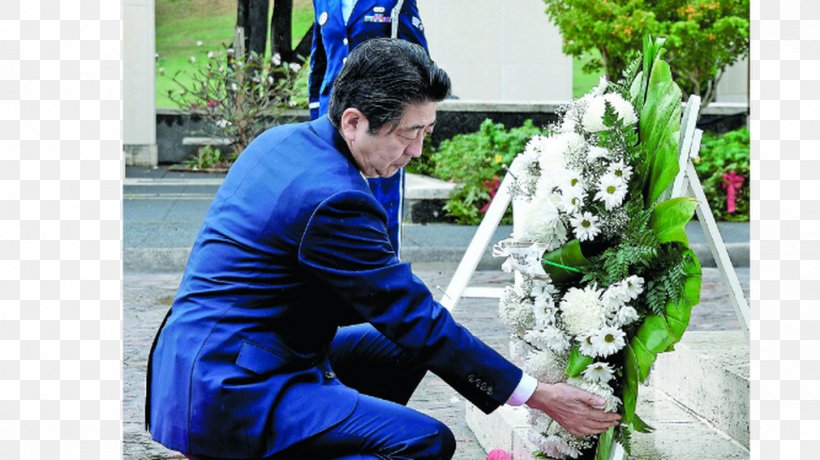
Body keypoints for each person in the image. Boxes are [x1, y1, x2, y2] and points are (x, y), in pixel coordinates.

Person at [146, 39, 620, 460]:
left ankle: (329, 434)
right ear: (354, 121)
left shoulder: (282, 141)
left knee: (405, 349)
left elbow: (385, 310)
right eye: (407, 133)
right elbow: (411, 317)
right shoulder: (334, 197)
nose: (416, 151)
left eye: (425, 133)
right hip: (234, 389)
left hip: (214, 357)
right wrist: (537, 394)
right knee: (425, 443)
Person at [309, 0, 429, 258]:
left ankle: (386, 276)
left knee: (380, 200)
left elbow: (418, 61)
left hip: (378, 122)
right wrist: (313, 119)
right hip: (331, 120)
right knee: (330, 197)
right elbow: (320, 62)